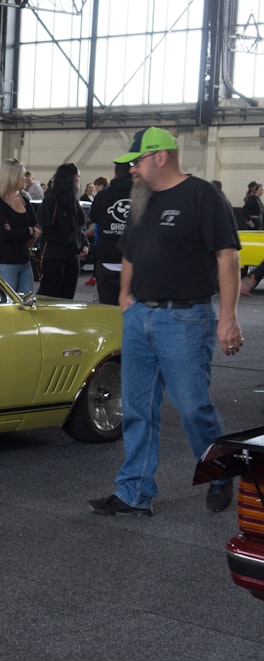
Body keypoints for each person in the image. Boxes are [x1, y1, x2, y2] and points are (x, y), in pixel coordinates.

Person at [89, 126, 243, 517]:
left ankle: (221, 470)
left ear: (161, 156)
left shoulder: (202, 195)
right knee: (138, 408)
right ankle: (133, 493)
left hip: (186, 318)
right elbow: (130, 254)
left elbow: (227, 257)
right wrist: (126, 296)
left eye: (137, 162)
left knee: (193, 407)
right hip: (140, 315)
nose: (133, 171)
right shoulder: (141, 200)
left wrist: (228, 319)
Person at [0, 158, 40, 293]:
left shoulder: (25, 200)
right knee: (8, 308)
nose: (26, 178)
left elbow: (37, 230)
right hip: (4, 263)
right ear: (12, 177)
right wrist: (29, 231)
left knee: (26, 306)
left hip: (24, 262)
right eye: (23, 175)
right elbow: (3, 236)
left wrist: (19, 231)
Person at [36, 163, 88, 299]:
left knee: (67, 298)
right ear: (69, 178)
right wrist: (70, 242)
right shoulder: (51, 200)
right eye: (77, 176)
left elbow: (79, 229)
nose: (79, 180)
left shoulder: (73, 201)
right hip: (55, 258)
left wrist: (84, 244)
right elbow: (46, 228)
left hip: (72, 258)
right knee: (50, 297)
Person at [88, 162, 133, 305]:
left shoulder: (102, 196)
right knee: (131, 312)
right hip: (132, 261)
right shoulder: (141, 195)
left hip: (106, 260)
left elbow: (93, 217)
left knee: (107, 311)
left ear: (115, 173)